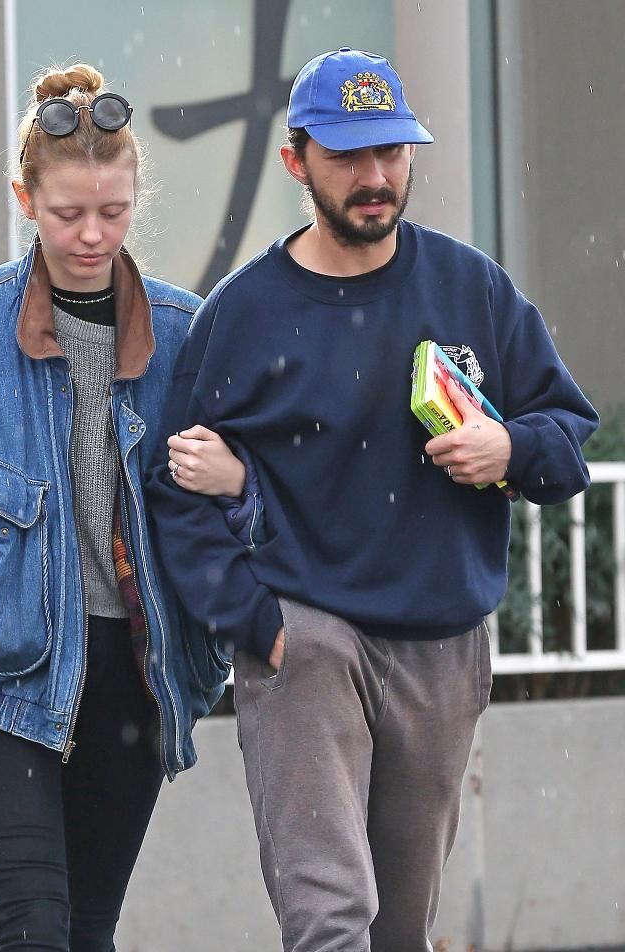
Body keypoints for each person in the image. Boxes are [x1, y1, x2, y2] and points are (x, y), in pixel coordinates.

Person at [146, 48, 599, 951]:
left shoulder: (472, 287)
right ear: (295, 161)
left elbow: (566, 439)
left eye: (392, 151)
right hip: (302, 636)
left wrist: (509, 447)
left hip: (441, 641)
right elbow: (175, 482)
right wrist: (250, 617)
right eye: (349, 155)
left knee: (400, 929)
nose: (376, 176)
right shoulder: (242, 313)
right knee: (331, 922)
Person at [0, 64, 250, 951]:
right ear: (25, 198)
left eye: (112, 212)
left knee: (88, 933)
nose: (92, 235)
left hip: (136, 679)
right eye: (69, 213)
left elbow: (249, 503)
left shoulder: (189, 335)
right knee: (32, 929)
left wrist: (238, 489)